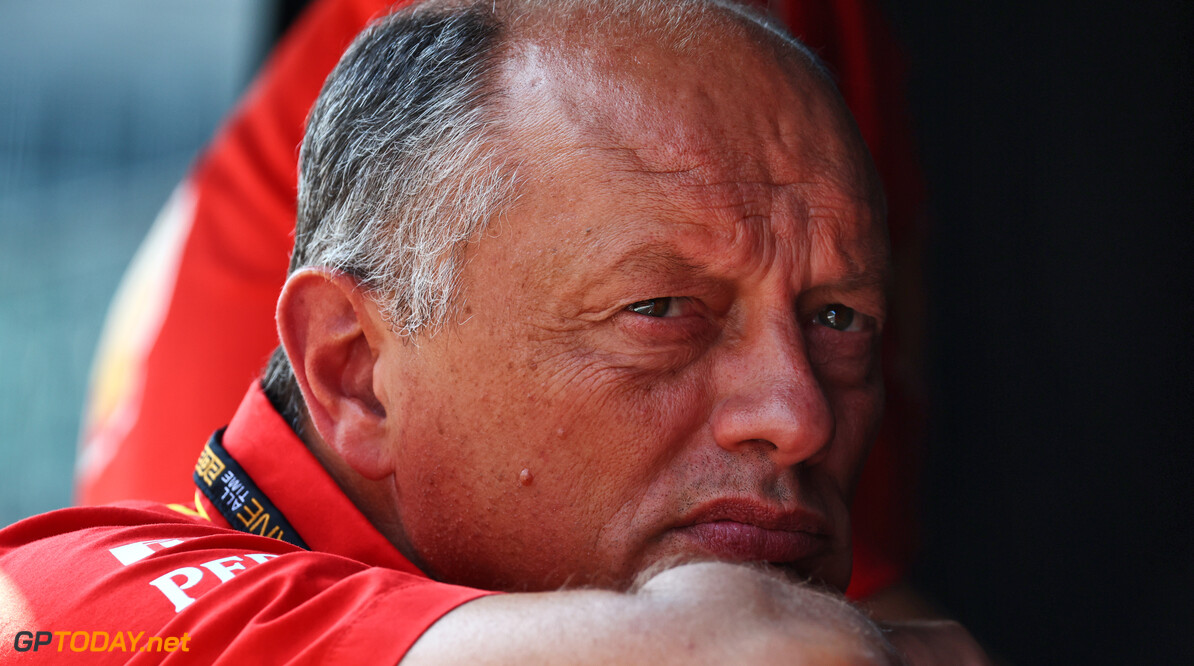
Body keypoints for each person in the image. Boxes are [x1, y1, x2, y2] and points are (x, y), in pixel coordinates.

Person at [4, 0, 983, 662]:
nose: (797, 412)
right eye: (658, 311)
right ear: (356, 372)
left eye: (840, 320)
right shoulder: (68, 608)